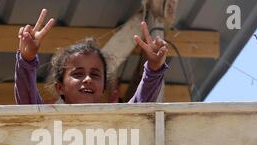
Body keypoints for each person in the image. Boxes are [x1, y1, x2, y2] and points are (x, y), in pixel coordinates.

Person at [15, 8, 169, 105]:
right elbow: (28, 103)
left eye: (95, 74)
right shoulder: (45, 122)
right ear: (60, 87)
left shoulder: (118, 122)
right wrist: (26, 59)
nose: (88, 79)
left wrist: (154, 69)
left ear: (103, 89)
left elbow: (140, 108)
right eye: (77, 73)